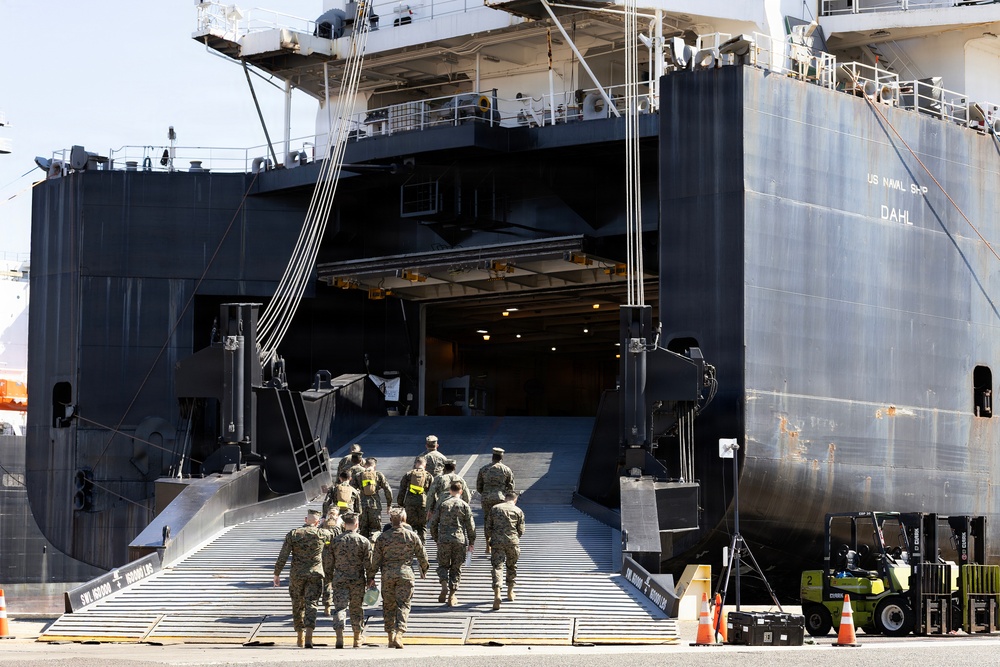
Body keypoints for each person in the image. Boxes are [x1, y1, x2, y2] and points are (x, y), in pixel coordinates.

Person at [370, 507, 428, 649]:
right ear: (403, 519)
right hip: (405, 574)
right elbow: (422, 555)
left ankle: (390, 637)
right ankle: (399, 634)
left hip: (387, 575)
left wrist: (370, 577)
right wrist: (424, 569)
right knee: (403, 605)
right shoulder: (411, 536)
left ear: (391, 520)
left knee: (388, 605)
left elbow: (375, 560)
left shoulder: (382, 537)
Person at [273, 509, 328, 648]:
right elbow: (336, 538)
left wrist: (277, 573)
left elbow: (283, 555)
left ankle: (300, 636)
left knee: (297, 604)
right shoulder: (323, 534)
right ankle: (309, 635)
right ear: (318, 522)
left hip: (297, 574)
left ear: (305, 520)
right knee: (312, 603)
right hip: (315, 574)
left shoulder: (293, 534)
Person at [327, 512, 373, 649]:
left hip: (340, 578)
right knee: (356, 608)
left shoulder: (336, 541)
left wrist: (329, 578)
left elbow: (328, 562)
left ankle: (339, 636)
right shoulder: (363, 541)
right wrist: (371, 578)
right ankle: (357, 638)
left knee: (340, 608)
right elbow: (369, 563)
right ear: (356, 524)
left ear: (344, 524)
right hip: (357, 579)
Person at [429, 481, 475, 606]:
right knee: (456, 568)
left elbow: (433, 524)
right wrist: (471, 542)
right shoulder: (464, 505)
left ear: (450, 491)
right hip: (459, 540)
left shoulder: (443, 504)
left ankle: (444, 584)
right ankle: (452, 595)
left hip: (444, 539)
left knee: (443, 565)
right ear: (461, 491)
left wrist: (436, 538)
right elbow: (470, 526)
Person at [486, 491, 525, 609]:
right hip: (512, 542)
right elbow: (521, 530)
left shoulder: (495, 509)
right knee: (511, 566)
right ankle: (510, 593)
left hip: (497, 542)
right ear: (515, 500)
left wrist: (490, 539)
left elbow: (488, 527)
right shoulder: (518, 511)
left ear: (504, 498)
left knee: (497, 567)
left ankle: (497, 594)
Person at [476, 447, 515, 553]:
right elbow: (511, 487)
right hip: (501, 499)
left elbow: (479, 486)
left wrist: (485, 494)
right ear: (501, 457)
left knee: (487, 520)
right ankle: (499, 544)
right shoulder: (506, 470)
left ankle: (487, 545)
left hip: (487, 498)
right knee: (500, 521)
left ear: (492, 457)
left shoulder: (484, 469)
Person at [397, 456, 434, 542]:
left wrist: (400, 504)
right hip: (423, 504)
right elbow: (432, 493)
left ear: (415, 464)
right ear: (425, 465)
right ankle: (422, 545)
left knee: (409, 526)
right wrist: (432, 508)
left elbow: (402, 490)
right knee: (422, 526)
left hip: (410, 504)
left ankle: (411, 544)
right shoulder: (428, 476)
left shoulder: (408, 475)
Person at [355, 457, 393, 540]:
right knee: (376, 530)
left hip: (362, 506)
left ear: (365, 465)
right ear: (374, 465)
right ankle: (375, 545)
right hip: (375, 505)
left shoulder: (358, 475)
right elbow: (388, 490)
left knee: (363, 529)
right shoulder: (378, 475)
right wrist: (389, 504)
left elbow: (352, 491)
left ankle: (364, 546)